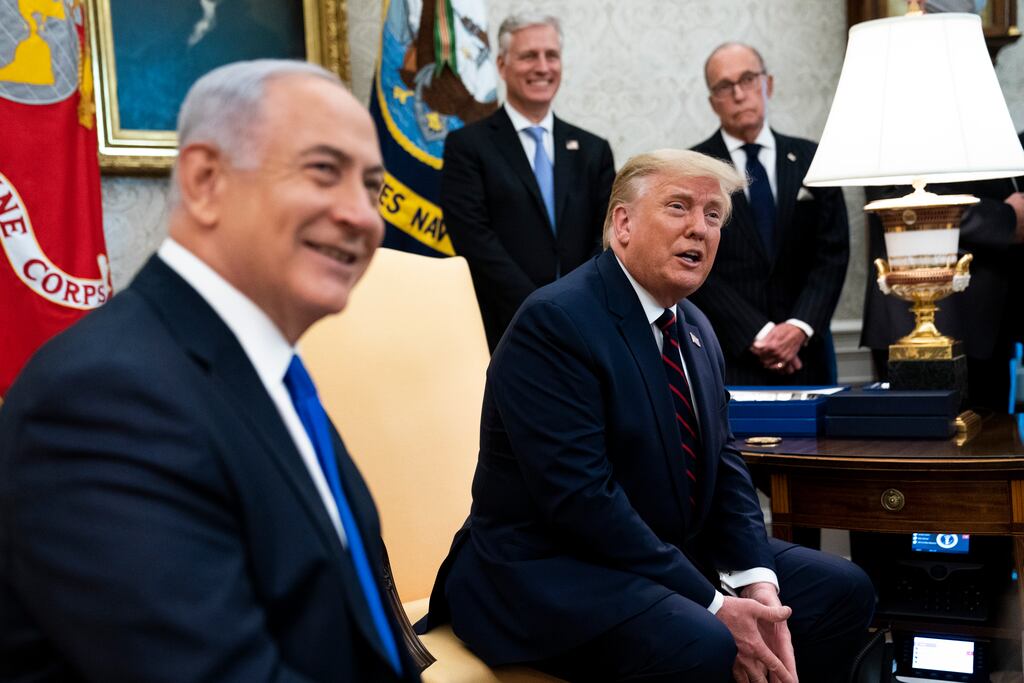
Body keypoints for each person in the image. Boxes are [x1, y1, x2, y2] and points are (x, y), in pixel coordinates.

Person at [0, 60, 420, 682]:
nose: (362, 216)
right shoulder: (106, 400)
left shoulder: (268, 373)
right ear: (204, 181)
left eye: (373, 188)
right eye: (324, 172)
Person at [422, 149, 874, 682]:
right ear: (622, 223)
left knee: (842, 589)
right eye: (679, 207)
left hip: (661, 551)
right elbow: (582, 501)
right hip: (548, 569)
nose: (699, 230)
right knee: (703, 638)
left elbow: (724, 466)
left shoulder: (698, 328)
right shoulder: (555, 323)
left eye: (712, 216)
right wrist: (714, 602)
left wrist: (758, 585)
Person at [441, 12, 615, 350]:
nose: (542, 67)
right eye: (528, 56)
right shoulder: (468, 146)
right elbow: (474, 240)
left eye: (551, 55)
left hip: (588, 323)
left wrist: (576, 303)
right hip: (502, 327)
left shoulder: (594, 150)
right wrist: (539, 307)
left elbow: (608, 232)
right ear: (502, 65)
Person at [691, 42, 849, 385]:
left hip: (807, 352)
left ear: (769, 84)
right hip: (731, 353)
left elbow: (832, 255)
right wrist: (757, 333)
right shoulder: (694, 169)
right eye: (724, 86)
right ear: (712, 101)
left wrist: (798, 328)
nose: (738, 94)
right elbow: (693, 260)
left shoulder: (813, 159)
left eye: (748, 79)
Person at [861, 131, 1024, 411]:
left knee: (991, 444)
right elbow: (897, 198)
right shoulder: (892, 118)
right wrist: (1006, 219)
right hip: (928, 319)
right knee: (924, 445)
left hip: (994, 321)